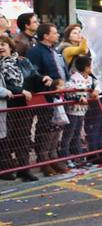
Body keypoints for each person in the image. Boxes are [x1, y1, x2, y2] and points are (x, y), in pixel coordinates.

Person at [26, 23, 69, 175]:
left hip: (58, 94)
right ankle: (43, 160)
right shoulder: (36, 52)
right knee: (45, 127)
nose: (57, 35)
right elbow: (33, 72)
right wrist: (47, 81)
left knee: (57, 126)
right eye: (55, 32)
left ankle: (53, 156)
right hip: (45, 94)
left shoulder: (54, 50)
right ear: (46, 35)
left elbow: (63, 69)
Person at [0, 36, 39, 181]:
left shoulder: (22, 61)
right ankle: (6, 169)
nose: (0, 47)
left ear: (10, 46)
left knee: (23, 137)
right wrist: (19, 91)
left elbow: (34, 76)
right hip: (5, 105)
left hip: (23, 105)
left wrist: (46, 80)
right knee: (5, 139)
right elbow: (2, 86)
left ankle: (24, 170)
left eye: (3, 44)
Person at [63, 54, 95, 164]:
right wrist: (78, 97)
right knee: (68, 134)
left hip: (83, 111)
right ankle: (66, 158)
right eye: (91, 66)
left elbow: (97, 87)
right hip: (72, 110)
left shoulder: (90, 79)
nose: (92, 68)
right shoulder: (74, 77)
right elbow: (67, 90)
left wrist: (95, 93)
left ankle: (78, 157)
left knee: (77, 133)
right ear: (86, 67)